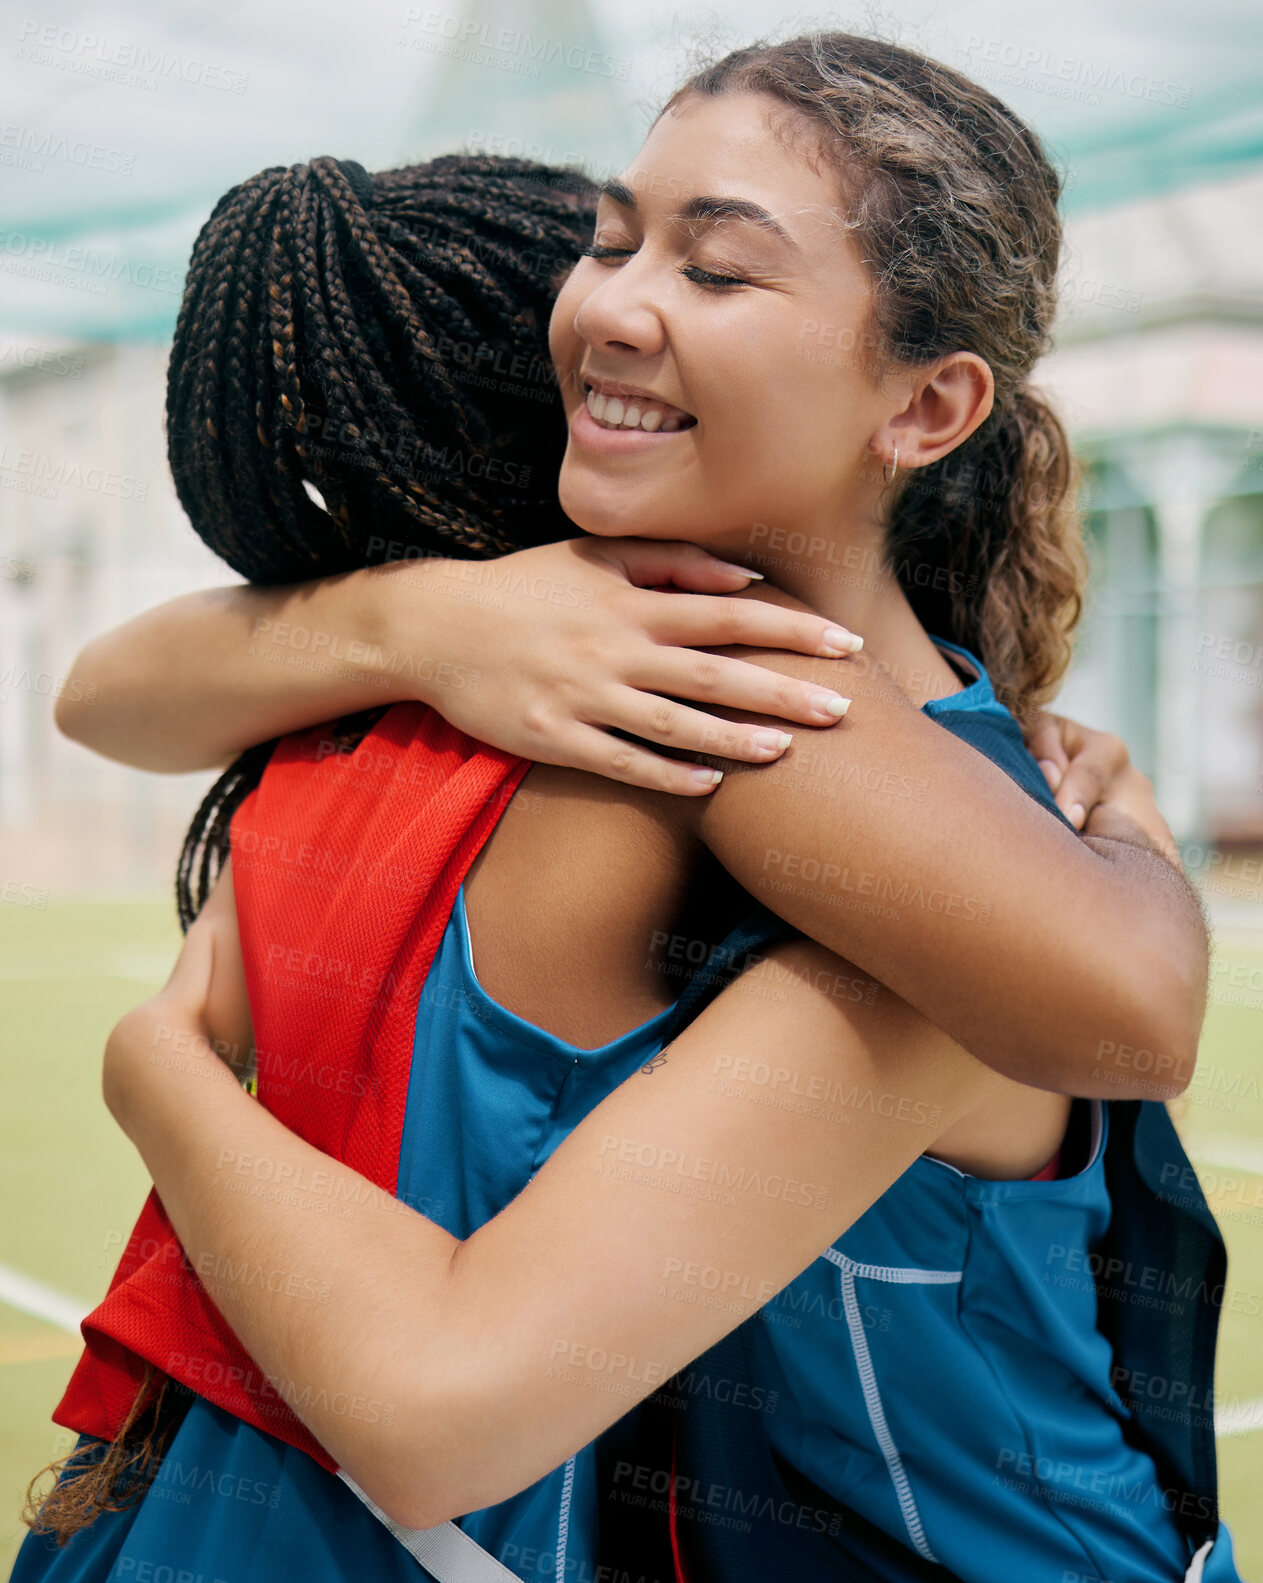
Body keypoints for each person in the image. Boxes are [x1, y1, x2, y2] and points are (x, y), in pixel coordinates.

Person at [21, 35, 1230, 1583]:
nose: (613, 305)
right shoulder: (583, 663)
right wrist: (427, 620)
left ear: (927, 410)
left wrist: (156, 1065)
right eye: (608, 241)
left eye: (717, 270)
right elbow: (112, 690)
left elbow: (1135, 1008)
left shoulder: (784, 742)